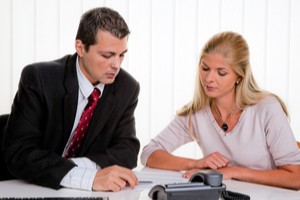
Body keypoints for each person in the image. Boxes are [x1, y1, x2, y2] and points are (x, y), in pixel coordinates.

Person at [2, 7, 140, 192]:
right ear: (80, 48)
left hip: (66, 191)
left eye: (121, 55)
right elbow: (19, 153)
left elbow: (127, 151)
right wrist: (86, 177)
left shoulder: (126, 88)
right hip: (15, 184)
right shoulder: (40, 78)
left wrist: (71, 168)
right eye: (107, 55)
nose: (116, 65)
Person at [141, 31, 300, 190]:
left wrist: (233, 172)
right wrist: (196, 163)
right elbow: (149, 153)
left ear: (240, 76)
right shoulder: (196, 114)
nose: (209, 78)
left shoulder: (267, 108)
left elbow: (295, 177)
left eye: (221, 72)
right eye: (205, 68)